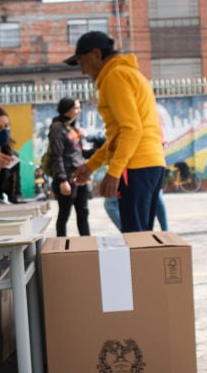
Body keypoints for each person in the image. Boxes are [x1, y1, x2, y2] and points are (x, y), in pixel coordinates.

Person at [66, 31, 166, 232]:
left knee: (135, 237)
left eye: (82, 62)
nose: (83, 71)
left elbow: (132, 129)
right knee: (141, 236)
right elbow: (117, 136)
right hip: (149, 162)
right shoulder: (127, 73)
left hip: (135, 165)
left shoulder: (115, 76)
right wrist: (91, 166)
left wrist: (114, 172)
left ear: (96, 54)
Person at [48, 97, 90, 236]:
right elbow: (56, 155)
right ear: (68, 109)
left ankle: (87, 244)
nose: (79, 110)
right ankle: (60, 245)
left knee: (83, 212)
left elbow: (78, 153)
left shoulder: (72, 127)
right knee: (64, 215)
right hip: (67, 178)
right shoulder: (57, 129)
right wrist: (62, 180)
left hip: (80, 176)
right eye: (76, 108)